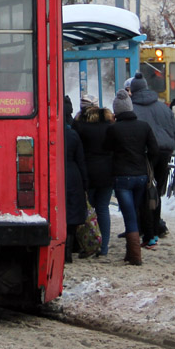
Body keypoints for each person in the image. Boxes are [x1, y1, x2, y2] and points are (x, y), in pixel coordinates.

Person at [101, 89, 158, 265]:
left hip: (121, 177)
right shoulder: (144, 126)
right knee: (134, 209)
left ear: (117, 111)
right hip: (141, 176)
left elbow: (106, 150)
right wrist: (146, 163)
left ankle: (134, 255)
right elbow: (154, 150)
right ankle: (130, 252)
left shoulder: (113, 129)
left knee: (129, 214)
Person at [128, 72, 175, 244]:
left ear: (132, 91)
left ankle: (145, 229)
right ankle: (156, 227)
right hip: (164, 153)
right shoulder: (164, 107)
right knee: (156, 192)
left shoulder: (132, 109)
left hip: (144, 154)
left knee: (143, 192)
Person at [73, 99, 115, 256]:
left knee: (87, 209)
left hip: (88, 172)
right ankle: (103, 248)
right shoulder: (110, 126)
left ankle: (88, 244)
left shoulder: (80, 127)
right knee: (103, 208)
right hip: (107, 172)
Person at [63, 106, 88, 263]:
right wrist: (85, 183)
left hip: (54, 172)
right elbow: (81, 160)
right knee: (72, 212)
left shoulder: (49, 133)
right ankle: (69, 250)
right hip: (73, 174)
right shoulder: (72, 135)